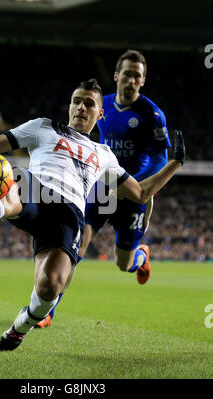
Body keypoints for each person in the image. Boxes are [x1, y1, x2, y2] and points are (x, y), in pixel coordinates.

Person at [0, 78, 185, 351]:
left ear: (100, 113)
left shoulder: (104, 155)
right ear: (69, 106)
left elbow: (139, 193)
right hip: (36, 191)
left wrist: (174, 163)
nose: (81, 107)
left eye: (89, 103)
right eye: (76, 101)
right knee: (12, 178)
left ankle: (20, 326)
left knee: (50, 287)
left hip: (67, 216)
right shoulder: (44, 127)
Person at [36, 50, 173, 329]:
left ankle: (141, 256)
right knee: (77, 244)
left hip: (132, 194)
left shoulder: (153, 114)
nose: (131, 80)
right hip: (100, 188)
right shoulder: (102, 105)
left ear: (143, 80)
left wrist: (132, 184)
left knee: (123, 263)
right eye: (127, 74)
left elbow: (160, 158)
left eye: (137, 75)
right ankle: (48, 310)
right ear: (116, 76)